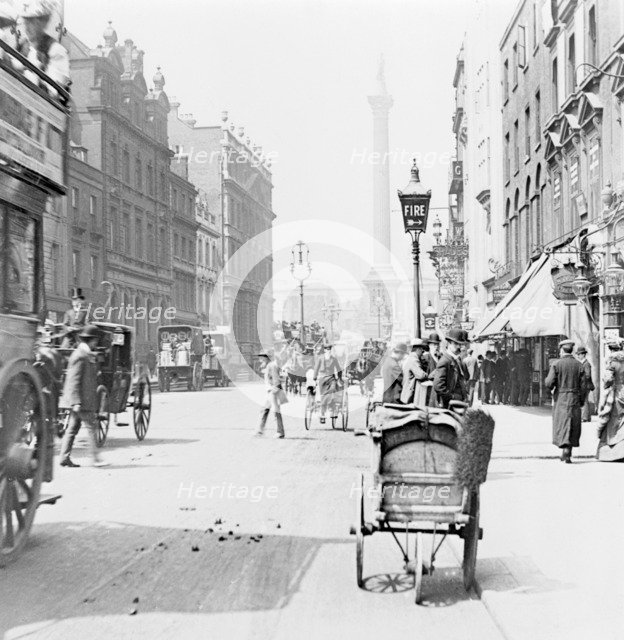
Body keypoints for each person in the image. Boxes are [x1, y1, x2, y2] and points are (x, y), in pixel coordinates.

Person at [58, 325, 108, 467]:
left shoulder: (84, 354)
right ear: (91, 340)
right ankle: (96, 459)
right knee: (92, 428)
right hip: (81, 402)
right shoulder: (80, 356)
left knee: (72, 429)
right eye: (95, 340)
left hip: (82, 401)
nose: (96, 343)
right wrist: (75, 402)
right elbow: (73, 380)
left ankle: (64, 457)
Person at [544, 339, 587, 463]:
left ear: (562, 350)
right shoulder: (579, 365)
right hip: (574, 397)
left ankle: (565, 449)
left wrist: (552, 389)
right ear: (572, 350)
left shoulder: (556, 364)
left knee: (562, 422)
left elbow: (548, 382)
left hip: (561, 397)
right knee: (573, 423)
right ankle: (569, 450)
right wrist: (582, 399)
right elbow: (584, 385)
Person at [20, 0, 70, 91]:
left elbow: (54, 91)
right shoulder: (22, 46)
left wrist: (31, 75)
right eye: (25, 21)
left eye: (32, 22)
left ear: (44, 22)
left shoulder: (56, 50)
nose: (27, 26)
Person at [596, 339, 624, 461]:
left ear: (611, 349)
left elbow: (607, 379)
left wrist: (606, 385)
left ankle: (615, 452)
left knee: (614, 420)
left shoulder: (612, 362)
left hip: (617, 393)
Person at [433, 329, 469, 409]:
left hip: (459, 402)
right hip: (450, 404)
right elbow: (438, 386)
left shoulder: (456, 359)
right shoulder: (445, 361)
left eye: (460, 344)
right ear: (449, 343)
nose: (459, 347)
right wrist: (452, 396)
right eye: (456, 344)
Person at [255, 350, 286, 438]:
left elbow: (276, 379)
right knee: (264, 410)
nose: (260, 358)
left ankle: (280, 432)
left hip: (274, 391)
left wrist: (274, 390)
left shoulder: (271, 366)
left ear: (266, 357)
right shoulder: (269, 365)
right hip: (270, 391)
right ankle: (259, 431)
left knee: (276, 412)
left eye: (262, 356)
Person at [313, 343, 342, 423]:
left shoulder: (334, 359)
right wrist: (314, 377)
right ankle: (322, 413)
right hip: (322, 378)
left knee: (332, 390)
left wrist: (339, 378)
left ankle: (331, 409)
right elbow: (316, 368)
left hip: (331, 378)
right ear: (324, 350)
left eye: (329, 349)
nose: (328, 351)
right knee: (323, 394)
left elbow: (339, 369)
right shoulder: (320, 358)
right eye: (326, 349)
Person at [401, 339, 428, 405]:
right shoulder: (413, 360)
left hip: (407, 392)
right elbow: (421, 375)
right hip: (409, 394)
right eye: (422, 349)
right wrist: (428, 374)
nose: (423, 351)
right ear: (418, 349)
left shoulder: (410, 358)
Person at [575, 346, 594, 422]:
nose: (578, 356)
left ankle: (585, 417)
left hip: (585, 385)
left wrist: (580, 377)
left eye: (579, 354)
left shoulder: (586, 364)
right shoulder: (584, 363)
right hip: (585, 385)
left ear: (583, 355)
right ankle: (587, 417)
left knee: (584, 400)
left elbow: (588, 375)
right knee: (585, 400)